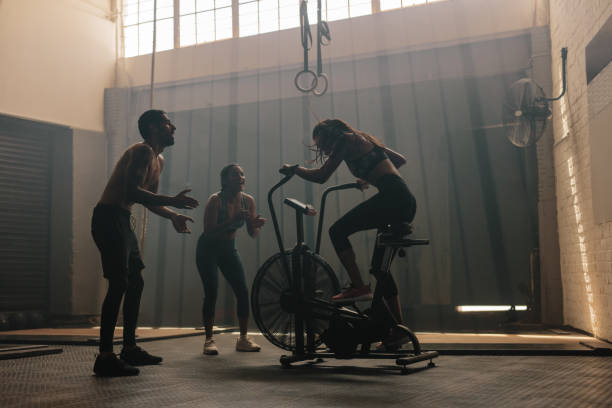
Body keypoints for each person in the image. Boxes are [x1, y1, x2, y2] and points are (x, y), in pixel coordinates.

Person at [281, 118, 416, 337]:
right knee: (380, 270)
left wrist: (295, 169)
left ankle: (358, 286)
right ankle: (399, 331)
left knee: (337, 230)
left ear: (331, 134)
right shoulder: (363, 139)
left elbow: (322, 176)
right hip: (404, 200)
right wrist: (369, 175)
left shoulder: (344, 140)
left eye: (322, 143)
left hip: (392, 198)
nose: (323, 149)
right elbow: (399, 160)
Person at [91, 110, 199, 377]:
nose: (172, 127)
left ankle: (129, 349)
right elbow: (131, 192)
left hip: (123, 219)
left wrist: (172, 214)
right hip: (108, 217)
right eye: (166, 123)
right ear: (153, 127)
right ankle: (105, 356)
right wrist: (172, 202)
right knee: (119, 283)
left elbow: (148, 199)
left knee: (135, 282)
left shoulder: (158, 160)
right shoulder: (142, 152)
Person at [196, 164, 266, 355]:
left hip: (228, 249)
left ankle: (243, 339)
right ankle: (209, 340)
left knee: (243, 292)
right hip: (208, 249)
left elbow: (252, 233)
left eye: (242, 174)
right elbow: (208, 231)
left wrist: (255, 224)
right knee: (211, 292)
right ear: (225, 180)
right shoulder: (215, 200)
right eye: (236, 175)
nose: (241, 177)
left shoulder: (248, 200)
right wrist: (232, 219)